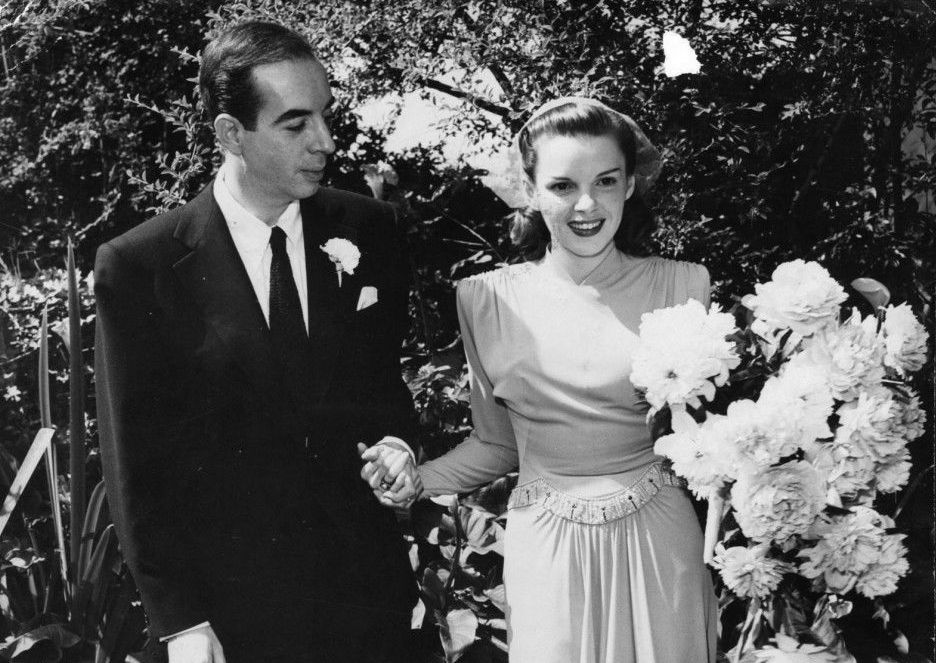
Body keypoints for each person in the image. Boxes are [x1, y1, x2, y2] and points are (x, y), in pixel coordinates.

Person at [95, 21, 419, 663]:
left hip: (368, 603)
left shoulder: (369, 229)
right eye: (296, 125)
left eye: (325, 116)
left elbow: (383, 389)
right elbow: (136, 461)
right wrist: (180, 621)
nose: (325, 141)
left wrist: (400, 447)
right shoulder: (141, 266)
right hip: (232, 618)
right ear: (229, 133)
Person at [362, 97, 718, 662]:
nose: (586, 205)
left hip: (659, 540)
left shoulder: (685, 286)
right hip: (547, 547)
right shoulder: (484, 299)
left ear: (629, 185)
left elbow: (709, 441)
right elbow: (497, 444)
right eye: (561, 186)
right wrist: (417, 481)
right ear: (529, 189)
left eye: (606, 181)